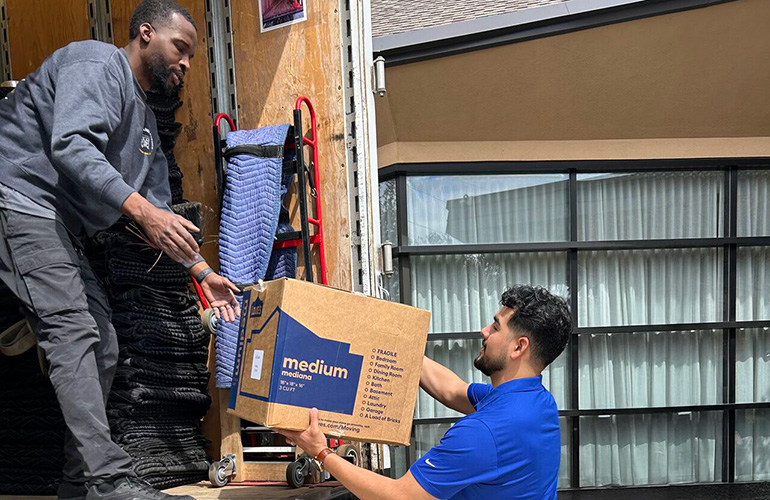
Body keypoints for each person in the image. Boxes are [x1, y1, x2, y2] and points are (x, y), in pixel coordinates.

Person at [0, 1, 239, 499]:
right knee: (72, 328)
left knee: (103, 343)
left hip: (56, 224)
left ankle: (78, 484)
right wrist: (144, 212)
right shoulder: (94, 63)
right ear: (146, 34)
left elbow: (158, 212)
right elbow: (71, 146)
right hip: (18, 197)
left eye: (193, 56)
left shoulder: (145, 127)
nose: (187, 64)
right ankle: (108, 481)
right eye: (181, 48)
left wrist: (201, 270)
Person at [278, 284, 572, 500]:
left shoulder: (484, 432)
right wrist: (394, 339)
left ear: (518, 347)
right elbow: (452, 389)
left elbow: (400, 496)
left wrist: (321, 451)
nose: (484, 331)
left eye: (495, 327)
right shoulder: (537, 402)